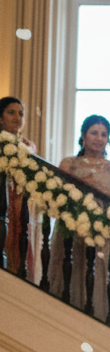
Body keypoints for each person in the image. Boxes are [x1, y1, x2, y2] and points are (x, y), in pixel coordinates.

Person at [48, 114, 110, 322]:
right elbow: (58, 190)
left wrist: (95, 184)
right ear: (83, 136)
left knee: (98, 276)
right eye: (94, 133)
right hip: (72, 228)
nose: (99, 138)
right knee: (70, 271)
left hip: (102, 232)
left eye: (104, 134)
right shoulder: (69, 163)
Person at [1, 96, 38, 279]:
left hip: (19, 204)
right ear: (1, 118)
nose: (17, 118)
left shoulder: (28, 146)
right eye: (11, 113)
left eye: (21, 114)